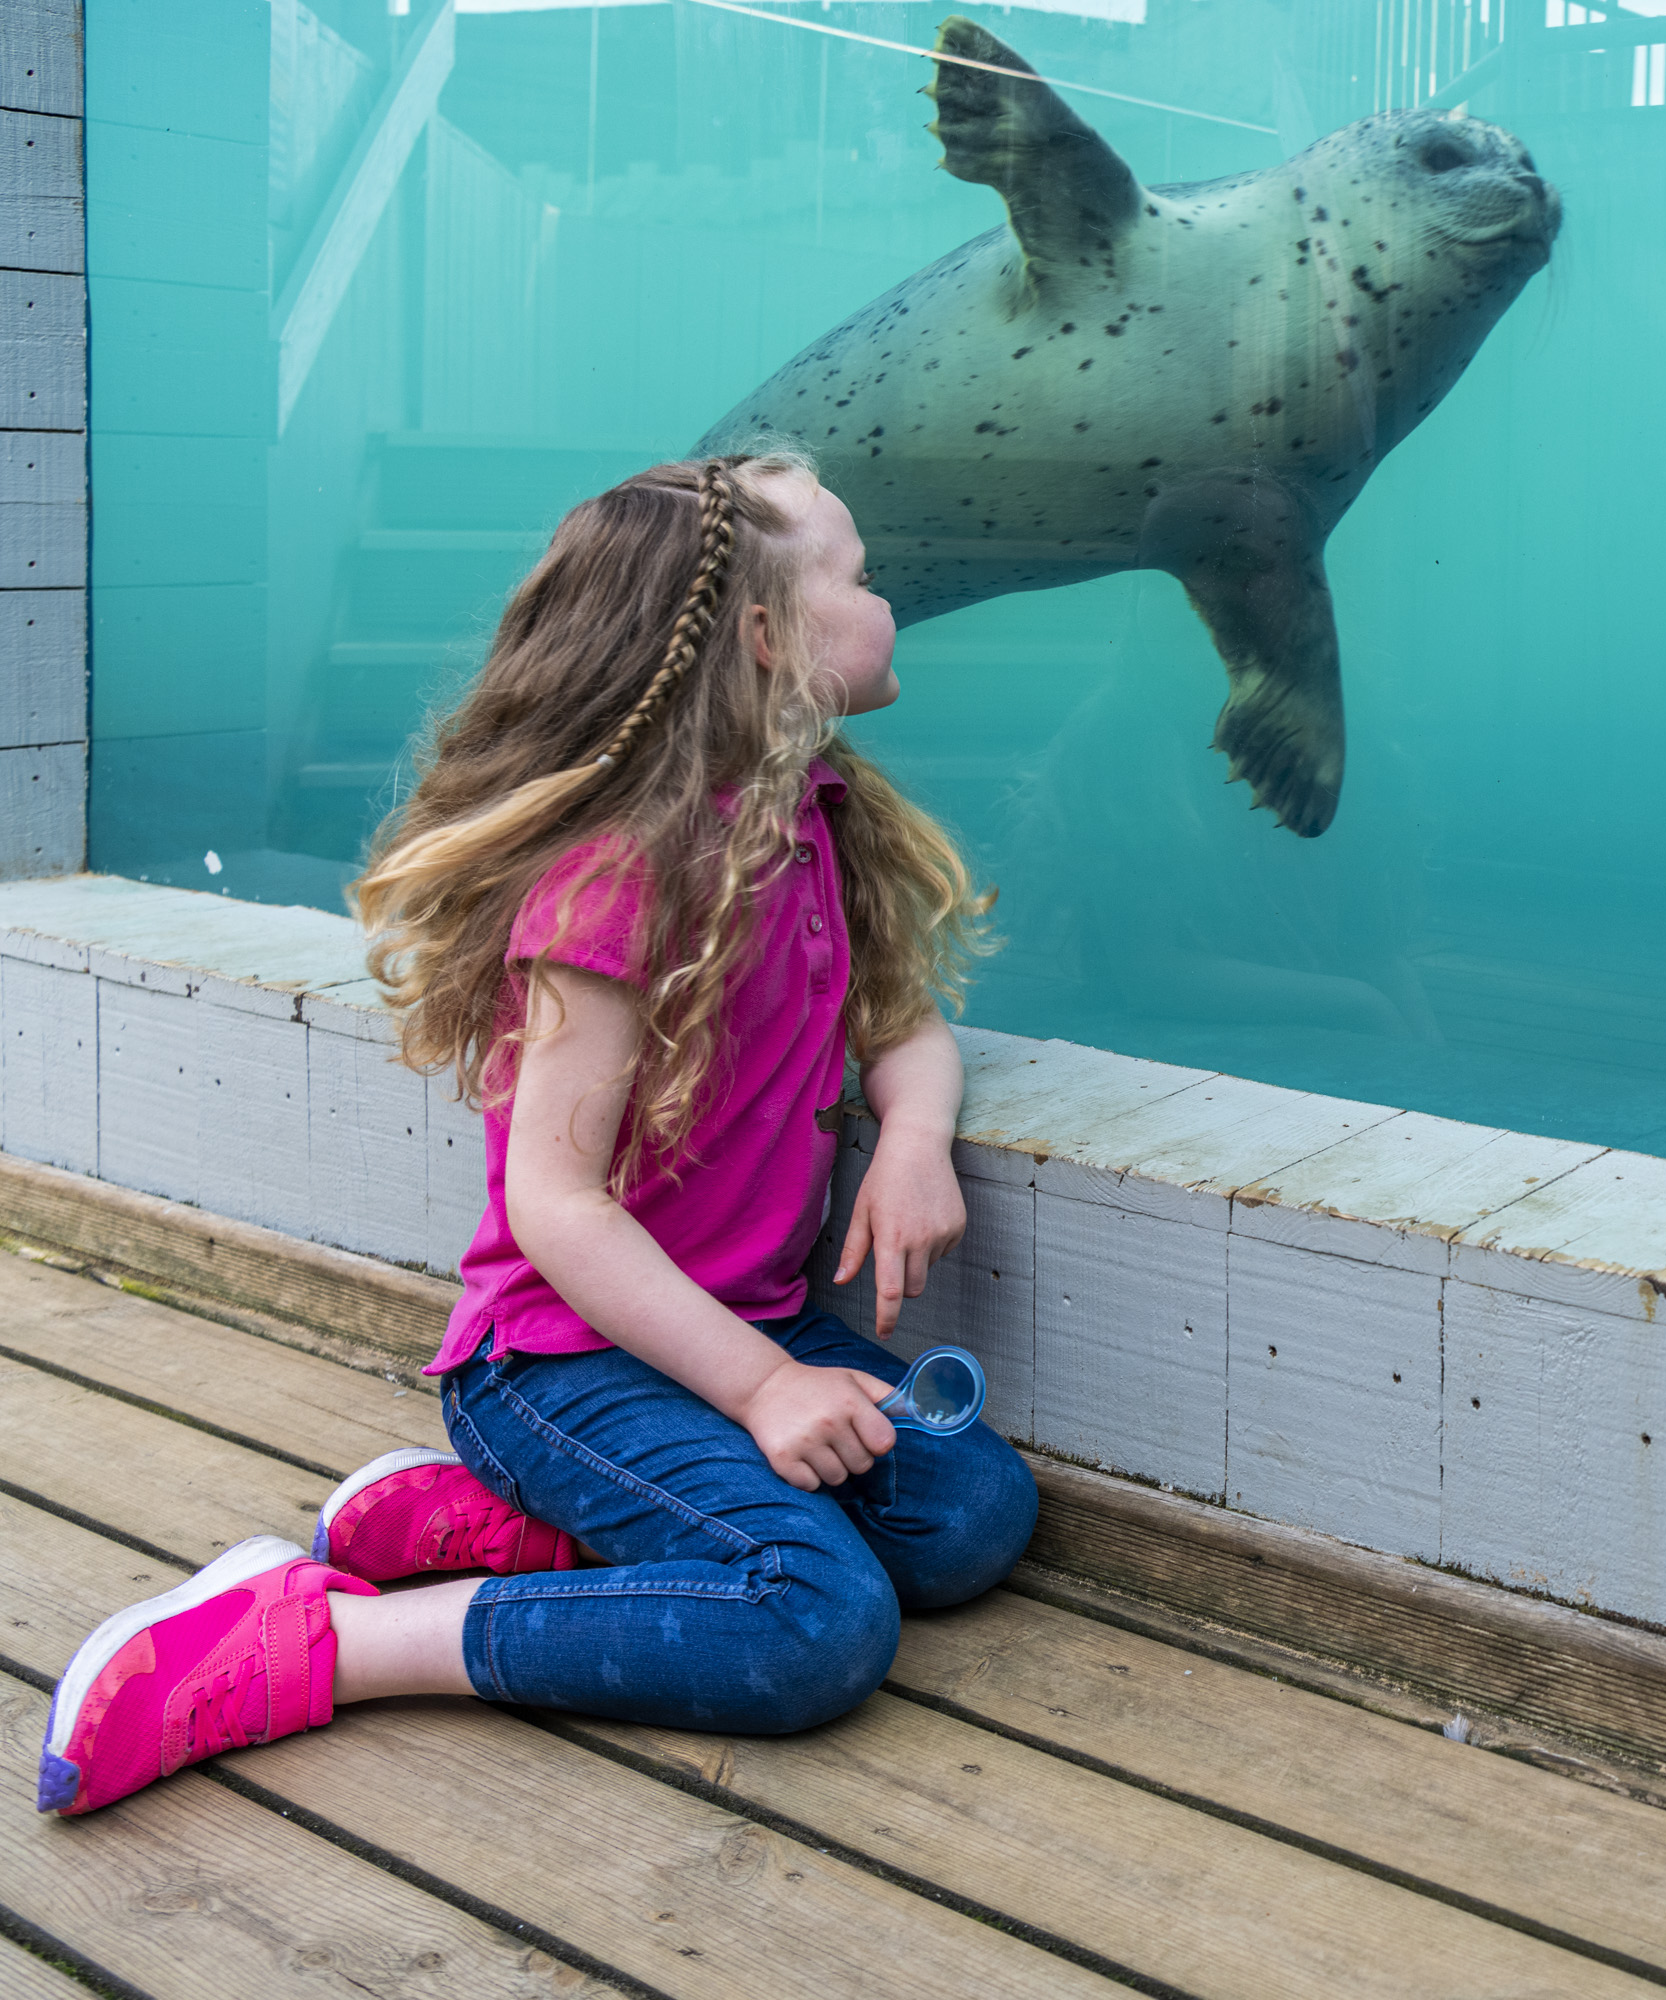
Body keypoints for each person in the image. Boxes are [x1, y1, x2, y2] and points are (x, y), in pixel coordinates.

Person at [39, 451, 1036, 1816]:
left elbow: (899, 1022)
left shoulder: (809, 821)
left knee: (970, 1513)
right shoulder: (619, 880)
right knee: (816, 1624)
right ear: (765, 638)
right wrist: (760, 1391)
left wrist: (914, 1134)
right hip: (557, 1366)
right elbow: (559, 1206)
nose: (887, 598)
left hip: (736, 1326)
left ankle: (513, 1533)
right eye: (859, 577)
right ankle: (318, 1638)